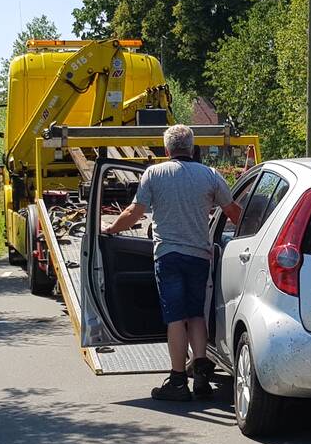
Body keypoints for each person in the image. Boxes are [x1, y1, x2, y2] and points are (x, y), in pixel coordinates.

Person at [102, 124, 241, 401]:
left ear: (167, 150)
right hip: (200, 256)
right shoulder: (211, 176)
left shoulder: (155, 174)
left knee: (175, 318)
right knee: (196, 315)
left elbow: (134, 212)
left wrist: (110, 231)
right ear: (192, 148)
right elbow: (235, 212)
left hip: (168, 256)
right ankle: (201, 376)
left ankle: (178, 380)